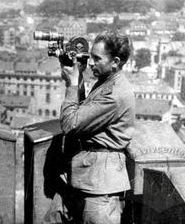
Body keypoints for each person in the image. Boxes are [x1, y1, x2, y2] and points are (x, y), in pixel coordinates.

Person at [59, 30, 135, 224]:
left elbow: (71, 123)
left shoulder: (115, 94)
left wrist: (71, 85)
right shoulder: (106, 82)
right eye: (90, 56)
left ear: (115, 61)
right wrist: (78, 77)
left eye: (96, 58)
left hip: (102, 188)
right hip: (90, 177)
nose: (91, 62)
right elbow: (86, 111)